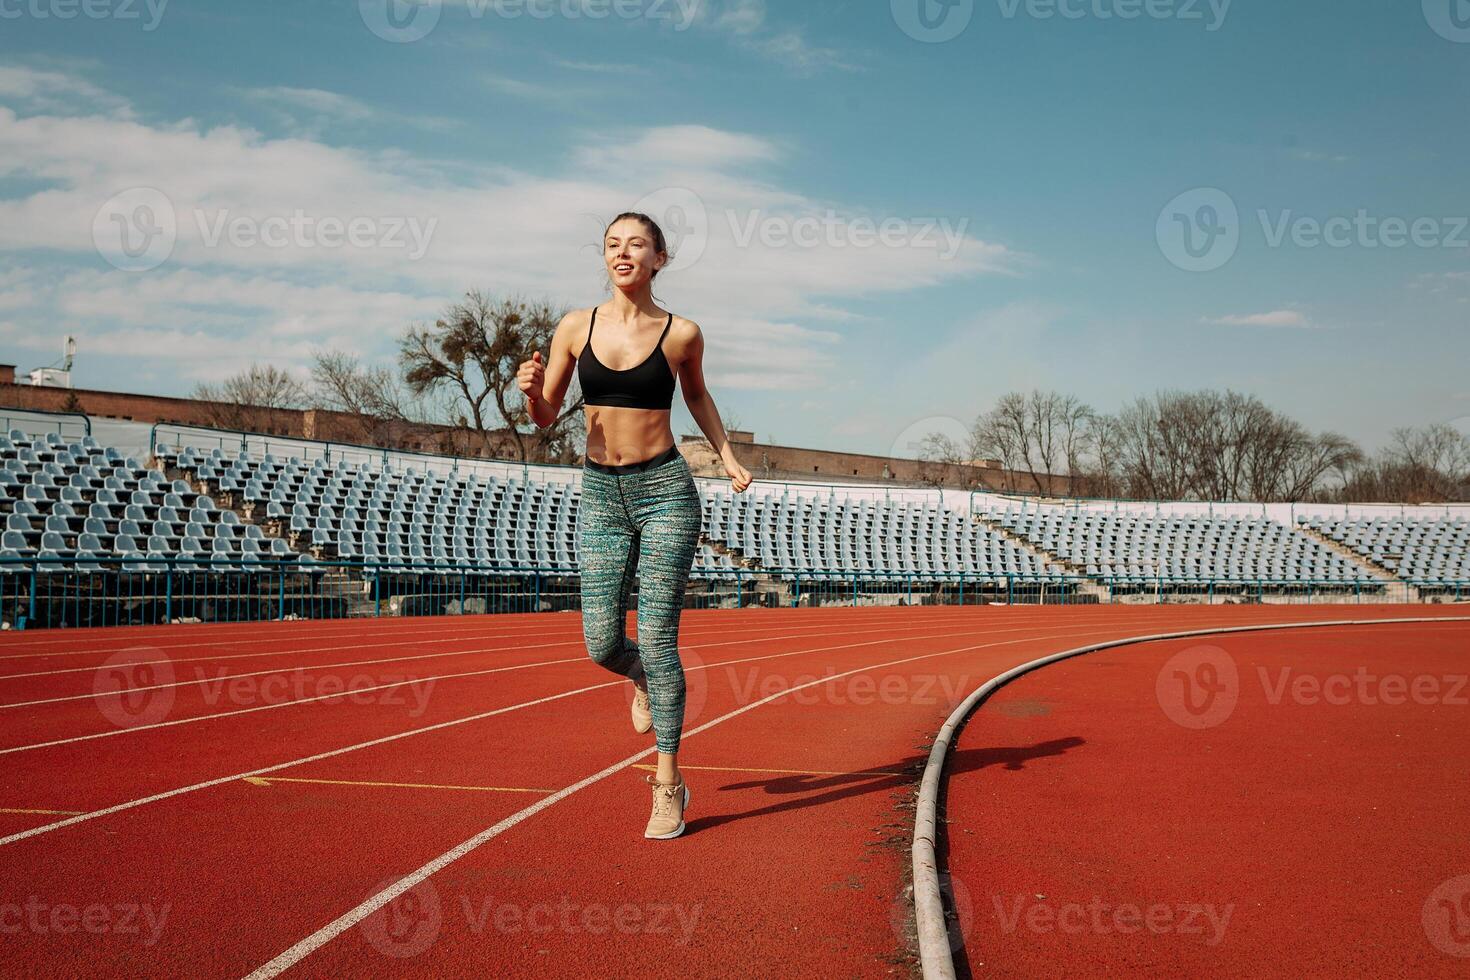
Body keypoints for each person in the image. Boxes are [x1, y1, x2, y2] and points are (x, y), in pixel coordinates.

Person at [518, 211, 753, 840]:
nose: (624, 254)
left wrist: (725, 454)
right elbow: (545, 417)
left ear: (659, 259)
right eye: (613, 245)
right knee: (601, 642)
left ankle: (668, 783)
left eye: (637, 245)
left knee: (658, 635)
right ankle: (640, 678)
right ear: (605, 257)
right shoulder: (576, 326)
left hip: (664, 491)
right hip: (600, 493)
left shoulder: (681, 334)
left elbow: (697, 396)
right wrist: (530, 391)